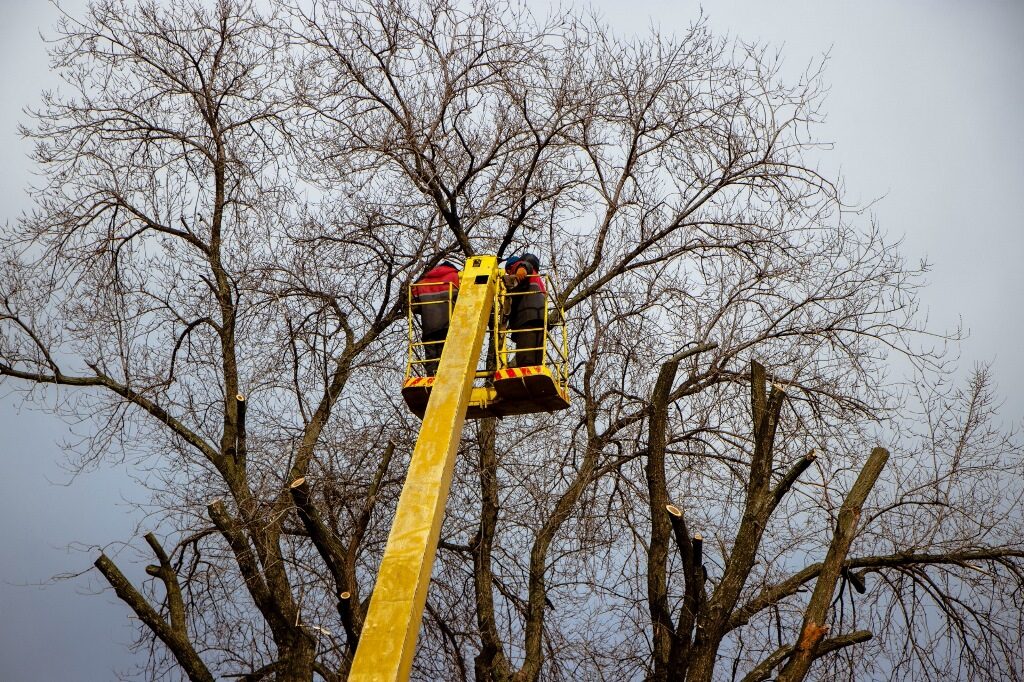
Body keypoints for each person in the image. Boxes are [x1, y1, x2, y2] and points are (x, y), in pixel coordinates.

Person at [412, 261, 460, 375]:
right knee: (446, 357)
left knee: (431, 359)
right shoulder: (456, 277)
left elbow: (413, 307)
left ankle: (431, 378)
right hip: (447, 325)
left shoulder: (422, 283)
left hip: (429, 327)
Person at [504, 253, 546, 367]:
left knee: (525, 356)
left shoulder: (519, 267)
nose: (509, 274)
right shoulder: (537, 277)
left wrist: (520, 268)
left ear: (509, 268)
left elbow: (524, 265)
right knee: (537, 352)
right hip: (540, 316)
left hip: (526, 315)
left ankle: (526, 370)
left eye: (508, 271)